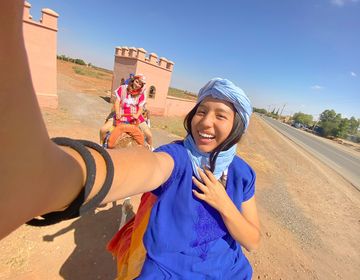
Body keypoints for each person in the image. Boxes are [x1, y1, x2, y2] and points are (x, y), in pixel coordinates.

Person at [1, 2, 260, 278]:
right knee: (107, 132)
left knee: (145, 135)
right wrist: (59, 177)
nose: (206, 121)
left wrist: (223, 203)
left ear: (237, 128)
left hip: (231, 271)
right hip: (168, 272)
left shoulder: (243, 174)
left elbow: (252, 240)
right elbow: (151, 165)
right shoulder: (175, 157)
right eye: (201, 111)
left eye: (220, 116)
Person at [99, 74, 153, 149]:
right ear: (133, 80)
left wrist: (137, 115)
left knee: (149, 135)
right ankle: (101, 145)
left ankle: (151, 149)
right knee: (103, 130)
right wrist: (117, 112)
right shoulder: (123, 89)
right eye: (137, 82)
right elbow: (117, 102)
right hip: (121, 113)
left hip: (135, 116)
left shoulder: (141, 94)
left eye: (140, 84)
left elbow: (140, 107)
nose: (137, 85)